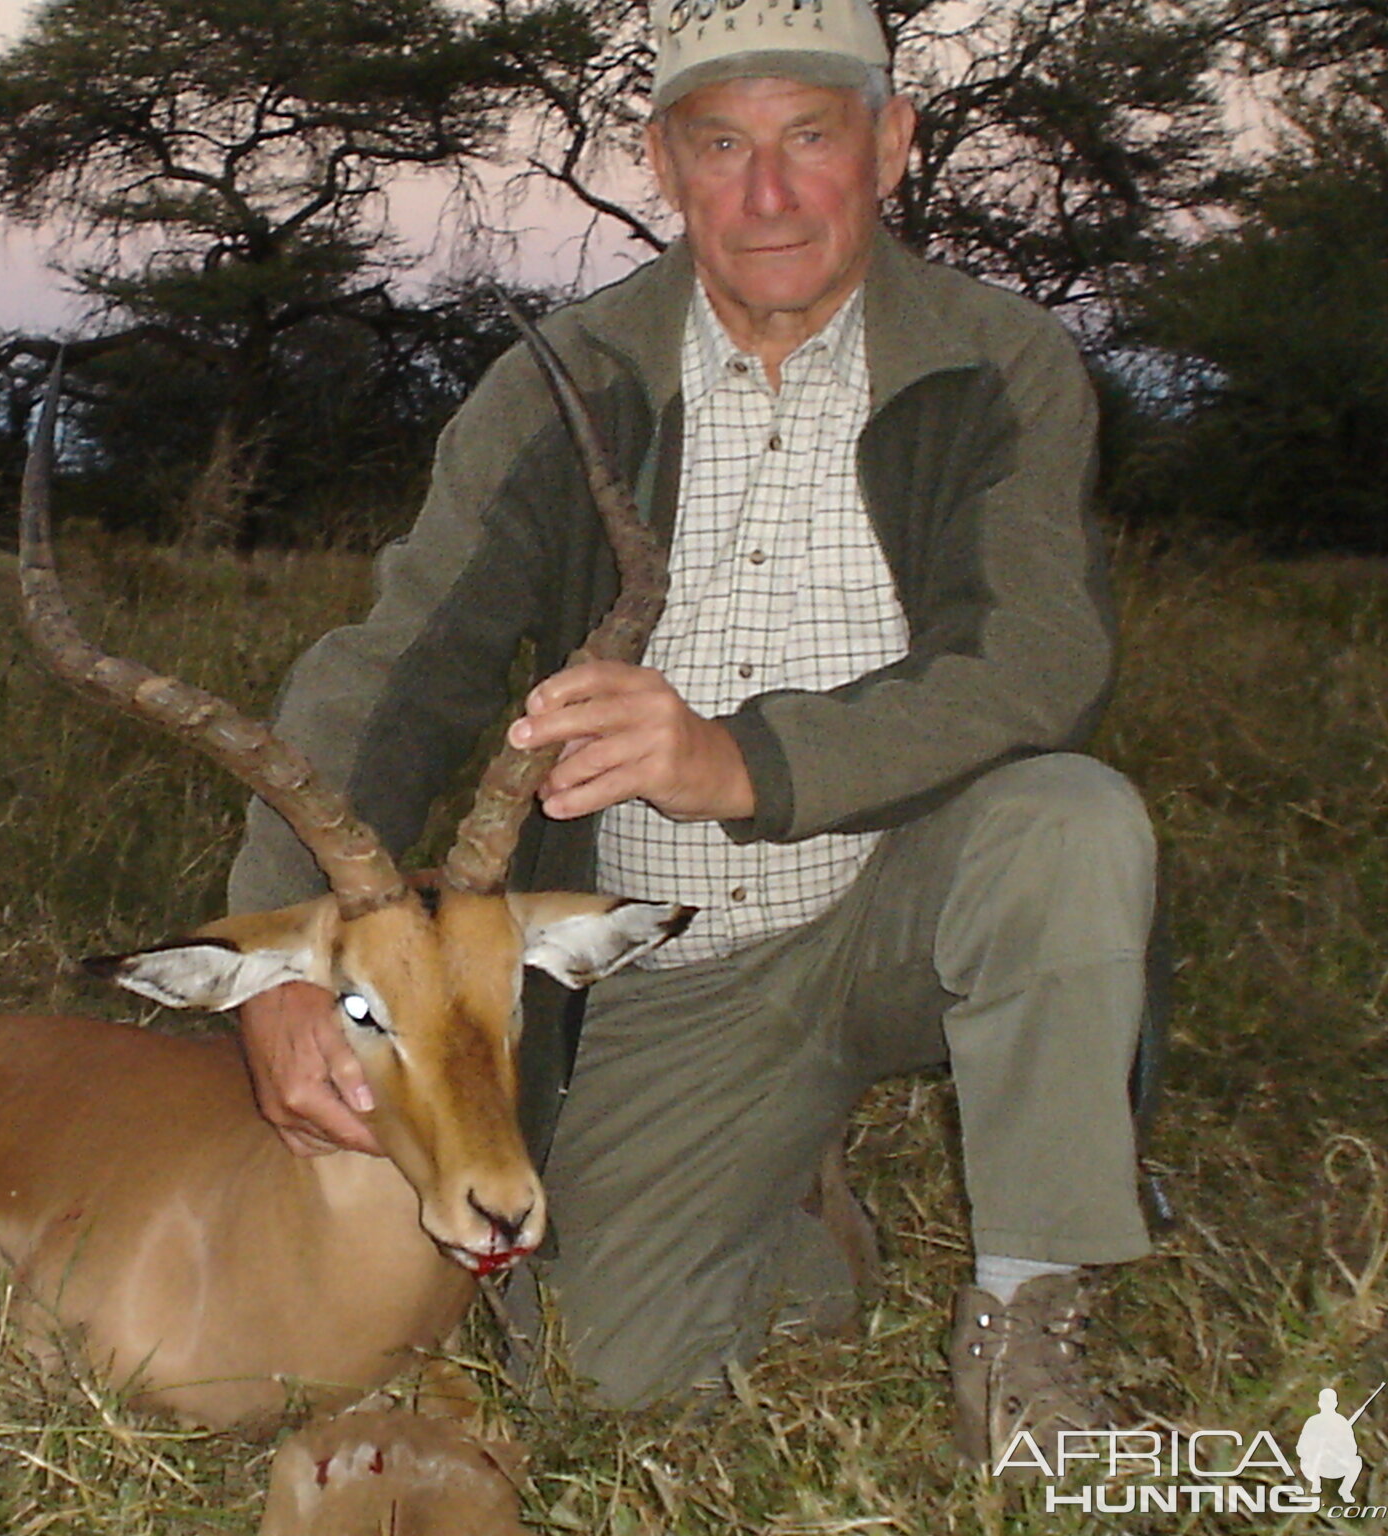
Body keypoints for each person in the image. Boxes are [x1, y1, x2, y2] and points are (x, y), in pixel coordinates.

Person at [224, 0, 1157, 1471]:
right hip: (671, 973)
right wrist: (277, 958)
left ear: (893, 145)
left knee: (1071, 819)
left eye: (811, 138)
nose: (768, 194)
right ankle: (796, 1205)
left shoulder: (998, 361)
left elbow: (1039, 660)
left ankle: (1027, 1319)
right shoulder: (567, 376)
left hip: (907, 906)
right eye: (721, 146)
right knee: (605, 1378)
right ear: (663, 161)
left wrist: (742, 762)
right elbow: (396, 667)